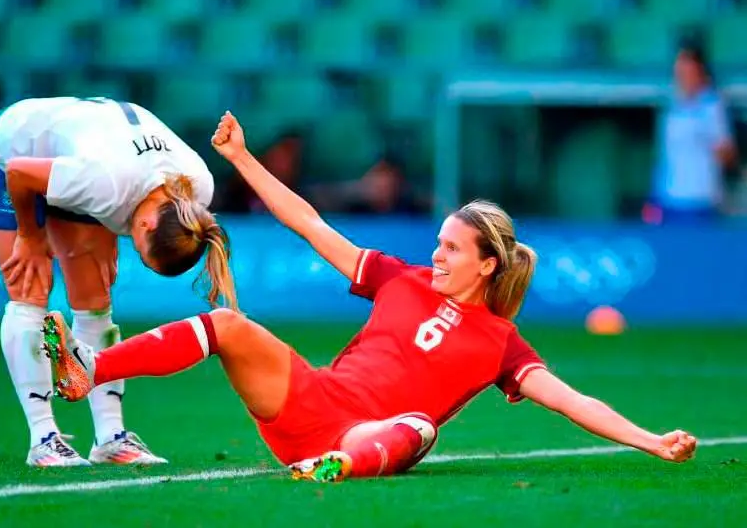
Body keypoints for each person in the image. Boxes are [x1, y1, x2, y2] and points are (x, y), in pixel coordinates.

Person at [42, 112, 697, 482]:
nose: (434, 254)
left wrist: (649, 439)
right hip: (307, 402)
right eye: (437, 243)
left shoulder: (503, 342)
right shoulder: (398, 277)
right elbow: (309, 223)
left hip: (369, 437)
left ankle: (336, 465)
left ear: (486, 263)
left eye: (449, 248)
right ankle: (86, 369)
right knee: (226, 323)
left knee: (419, 426)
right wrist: (241, 157)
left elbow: (573, 401)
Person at [0, 96, 237, 467]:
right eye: (141, 252)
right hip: (13, 154)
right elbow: (20, 172)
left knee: (95, 300)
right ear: (144, 225)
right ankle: (43, 439)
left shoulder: (195, 194)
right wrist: (31, 236)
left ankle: (111, 438)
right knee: (30, 289)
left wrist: (111, 224)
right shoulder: (105, 183)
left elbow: (128, 193)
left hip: (86, 162)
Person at [647, 42, 738, 224]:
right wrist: (654, 197)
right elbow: (665, 155)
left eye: (689, 71)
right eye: (680, 71)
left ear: (700, 72)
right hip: (671, 198)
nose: (684, 77)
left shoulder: (713, 107)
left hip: (702, 200)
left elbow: (726, 153)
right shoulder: (672, 107)